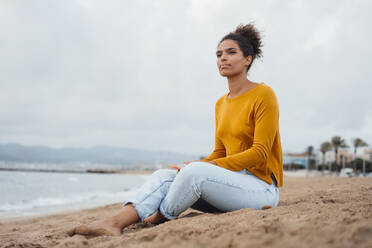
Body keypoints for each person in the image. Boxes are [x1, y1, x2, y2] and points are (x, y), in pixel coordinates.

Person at [68, 23, 283, 237]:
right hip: (228, 185)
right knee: (166, 175)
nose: (222, 58)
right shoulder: (220, 104)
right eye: (218, 54)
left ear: (248, 59)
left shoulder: (264, 94)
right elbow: (220, 152)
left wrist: (203, 166)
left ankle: (160, 216)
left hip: (260, 189)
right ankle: (114, 222)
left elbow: (260, 152)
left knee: (193, 173)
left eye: (230, 52)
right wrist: (193, 166)